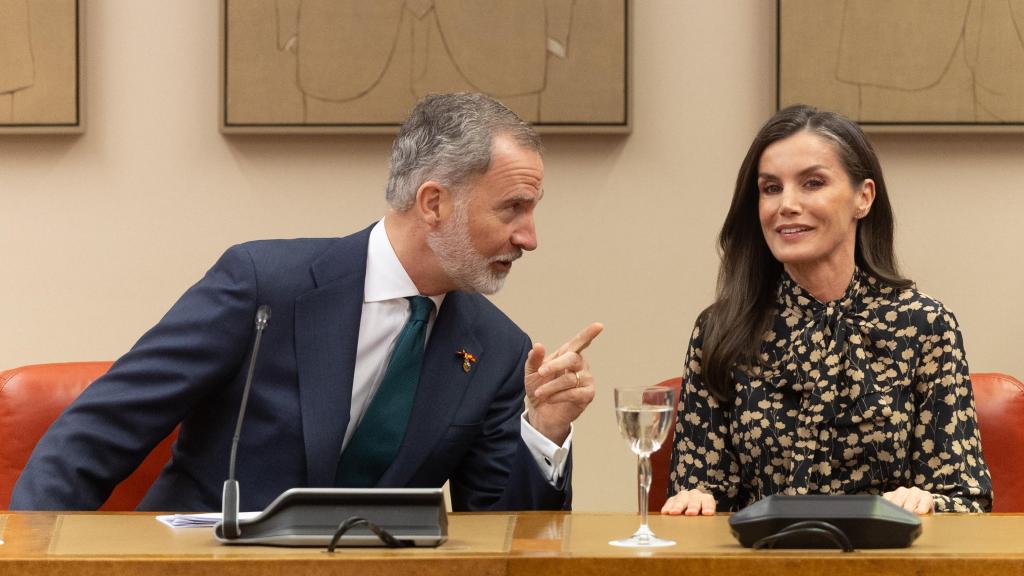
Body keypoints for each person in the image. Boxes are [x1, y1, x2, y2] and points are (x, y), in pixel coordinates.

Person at [12, 92, 602, 512]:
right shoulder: (264, 285)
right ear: (434, 203)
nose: (529, 237)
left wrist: (544, 432)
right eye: (512, 208)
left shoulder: (498, 349)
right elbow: (96, 433)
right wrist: (29, 560)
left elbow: (504, 536)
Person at [662, 105, 991, 516]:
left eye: (812, 183)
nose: (786, 205)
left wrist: (927, 501)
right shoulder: (719, 328)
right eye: (770, 188)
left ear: (863, 198)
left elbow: (964, 496)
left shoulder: (924, 325)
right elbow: (700, 489)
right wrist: (695, 499)